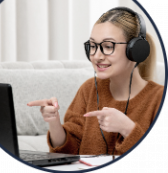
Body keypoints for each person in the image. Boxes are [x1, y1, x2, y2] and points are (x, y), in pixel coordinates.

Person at [27, 8, 164, 155]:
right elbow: (68, 153)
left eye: (108, 46)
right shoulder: (89, 89)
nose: (96, 56)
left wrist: (127, 129)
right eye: (92, 46)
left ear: (135, 49)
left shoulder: (158, 98)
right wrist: (54, 122)